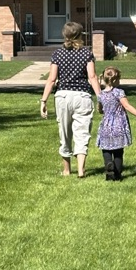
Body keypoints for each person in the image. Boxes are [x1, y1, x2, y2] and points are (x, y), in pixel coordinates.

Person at [40, 21, 102, 178]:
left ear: (64, 35)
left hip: (63, 96)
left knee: (65, 132)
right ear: (80, 35)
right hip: (82, 96)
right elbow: (92, 77)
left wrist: (44, 100)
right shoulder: (86, 53)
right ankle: (81, 170)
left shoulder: (58, 54)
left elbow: (52, 79)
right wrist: (101, 98)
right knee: (82, 132)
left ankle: (67, 170)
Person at [96, 66, 136, 181]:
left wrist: (102, 109)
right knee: (118, 151)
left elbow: (100, 109)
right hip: (118, 126)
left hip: (105, 126)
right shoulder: (119, 92)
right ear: (115, 80)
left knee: (106, 149)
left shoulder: (100, 95)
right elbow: (127, 106)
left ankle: (108, 164)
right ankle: (118, 174)